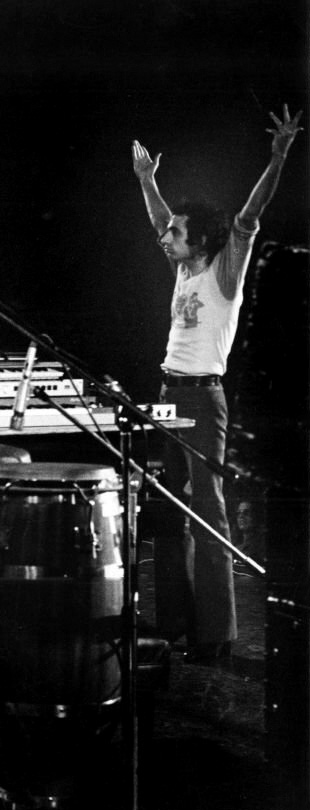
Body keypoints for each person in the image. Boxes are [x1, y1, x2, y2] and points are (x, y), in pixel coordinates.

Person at [131, 104, 303, 662]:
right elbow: (160, 220)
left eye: (177, 233)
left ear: (200, 240)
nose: (166, 237)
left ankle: (216, 636)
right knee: (171, 511)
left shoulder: (223, 271)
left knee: (208, 513)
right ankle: (178, 625)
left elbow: (250, 214)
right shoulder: (184, 266)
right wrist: (148, 182)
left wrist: (277, 158)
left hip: (204, 399)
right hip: (168, 395)